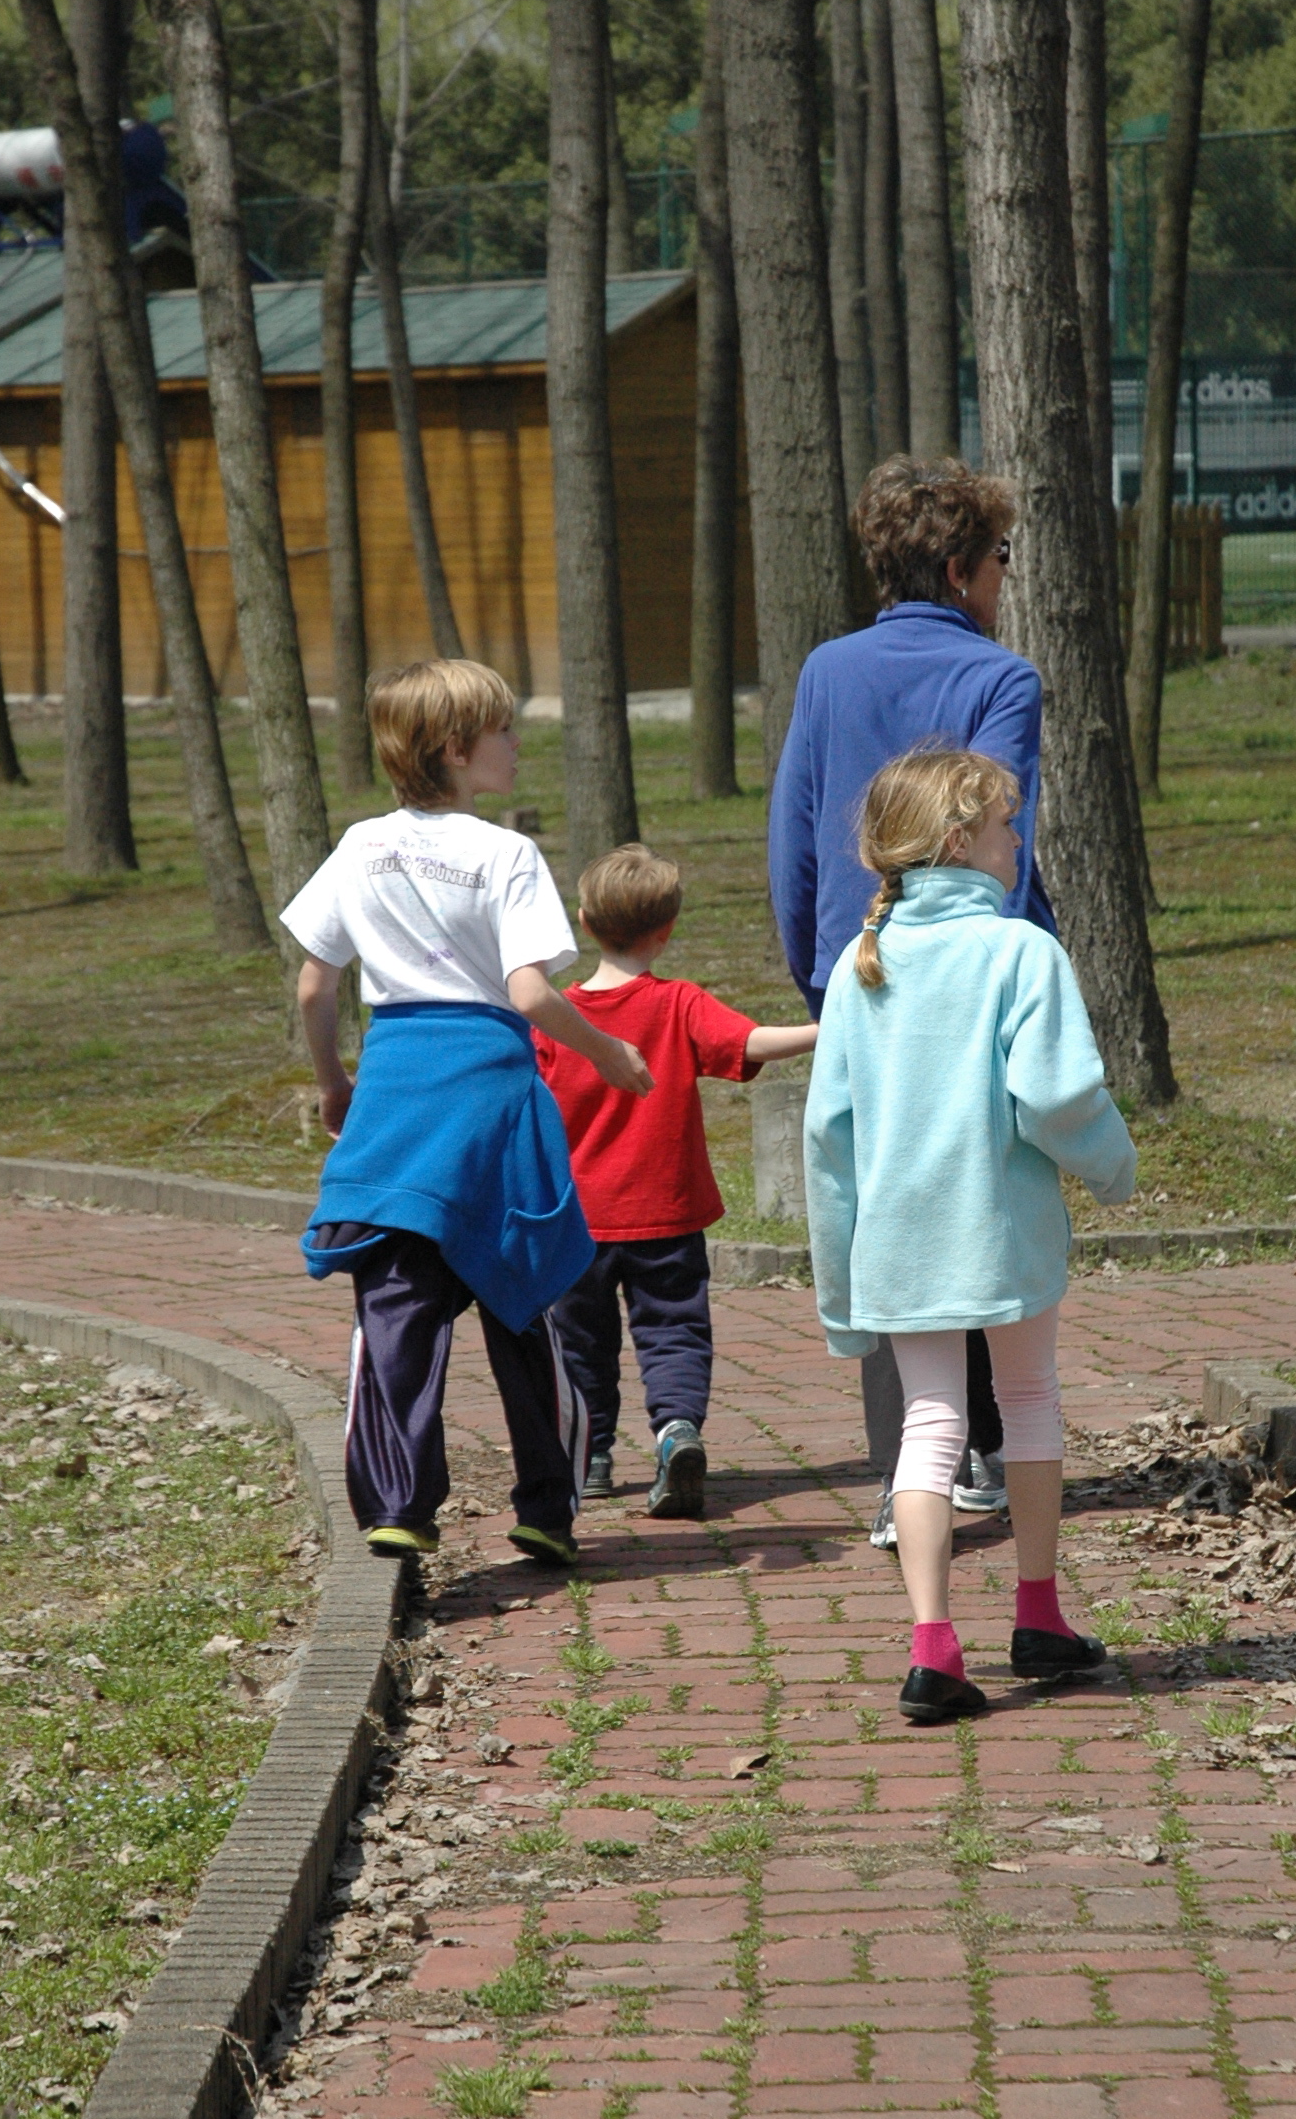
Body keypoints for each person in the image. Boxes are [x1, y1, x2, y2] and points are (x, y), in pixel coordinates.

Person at [284, 658, 651, 1571]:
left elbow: (315, 984)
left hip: (398, 1091)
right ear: (456, 749)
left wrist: (334, 1083)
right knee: (522, 1289)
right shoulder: (506, 853)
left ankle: (399, 1504)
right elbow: (530, 993)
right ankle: (547, 1507)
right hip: (490, 1094)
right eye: (503, 730)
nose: (516, 744)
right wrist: (608, 1053)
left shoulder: (358, 846)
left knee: (397, 1299)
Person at [803, 748, 1137, 1726]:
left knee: (929, 1423)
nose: (1015, 839)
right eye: (1004, 823)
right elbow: (1056, 1095)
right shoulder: (1018, 950)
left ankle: (932, 1646)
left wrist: (840, 1292)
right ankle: (1037, 1614)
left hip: (898, 1241)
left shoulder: (858, 964)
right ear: (958, 839)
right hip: (999, 1232)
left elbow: (828, 1139)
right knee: (1028, 1402)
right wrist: (1113, 1166)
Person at [768, 457, 1057, 1543]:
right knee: (979, 1176)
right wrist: (1002, 963)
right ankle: (976, 1444)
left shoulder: (826, 670)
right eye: (998, 558)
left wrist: (818, 967)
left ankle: (910, 1469)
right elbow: (996, 831)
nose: (1003, 577)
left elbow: (795, 833)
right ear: (956, 568)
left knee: (887, 1195)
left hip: (863, 964)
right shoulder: (1002, 676)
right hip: (973, 967)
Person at [537, 843, 817, 1520]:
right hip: (667, 1211)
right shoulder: (679, 1003)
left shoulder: (555, 1019)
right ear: (666, 930)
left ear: (584, 922)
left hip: (576, 1218)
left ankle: (591, 1455)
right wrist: (825, 1028)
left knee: (579, 1342)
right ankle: (676, 1430)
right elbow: (748, 1044)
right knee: (674, 1331)